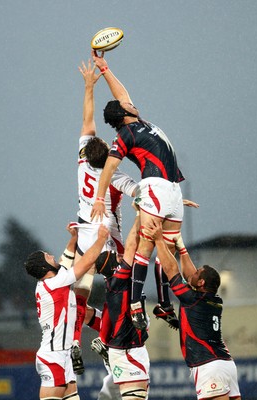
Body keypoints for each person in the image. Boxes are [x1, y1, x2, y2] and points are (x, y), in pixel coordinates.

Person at [90, 50, 186, 330]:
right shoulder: (125, 135)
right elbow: (109, 167)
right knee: (143, 247)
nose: (131, 103)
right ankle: (135, 305)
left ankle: (164, 304)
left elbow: (122, 93)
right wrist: (99, 196)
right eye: (127, 105)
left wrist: (105, 68)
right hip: (153, 186)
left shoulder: (138, 123)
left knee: (166, 249)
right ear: (124, 113)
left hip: (172, 189)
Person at [70, 59, 138, 372]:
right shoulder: (114, 176)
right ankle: (108, 339)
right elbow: (139, 192)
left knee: (80, 294)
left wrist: (88, 86)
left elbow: (87, 120)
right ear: (107, 156)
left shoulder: (83, 161)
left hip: (83, 240)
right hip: (106, 242)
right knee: (119, 289)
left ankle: (74, 342)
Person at [144, 221, 241, 400]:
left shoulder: (192, 299)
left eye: (198, 273)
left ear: (202, 283)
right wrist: (181, 248)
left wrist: (159, 240)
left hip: (209, 366)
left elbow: (171, 269)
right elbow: (190, 277)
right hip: (226, 365)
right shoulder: (215, 300)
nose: (192, 273)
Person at [24, 223, 109, 400]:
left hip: (64, 354)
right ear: (44, 268)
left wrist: (73, 238)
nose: (53, 256)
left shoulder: (53, 280)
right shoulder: (55, 283)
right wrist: (101, 239)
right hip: (53, 355)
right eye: (48, 256)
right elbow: (85, 263)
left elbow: (65, 259)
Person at [92, 214, 150, 400]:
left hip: (126, 348)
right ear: (112, 265)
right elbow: (132, 244)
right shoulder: (118, 279)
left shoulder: (114, 282)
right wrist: (140, 215)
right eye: (115, 257)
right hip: (128, 349)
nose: (120, 257)